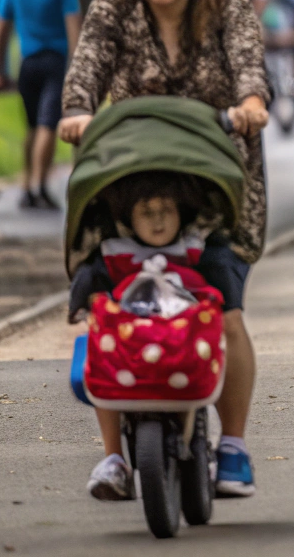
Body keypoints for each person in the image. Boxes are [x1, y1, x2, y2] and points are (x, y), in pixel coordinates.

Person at [58, 0, 270, 498]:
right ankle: (112, 459)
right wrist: (77, 110)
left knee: (224, 312)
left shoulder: (228, 4)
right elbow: (89, 64)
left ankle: (233, 447)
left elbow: (249, 65)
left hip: (212, 187)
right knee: (108, 309)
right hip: (128, 184)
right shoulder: (113, 4)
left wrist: (252, 105)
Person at [68, 171, 217, 500]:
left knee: (198, 357)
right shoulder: (111, 253)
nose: (159, 221)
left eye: (167, 210)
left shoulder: (194, 246)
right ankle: (113, 457)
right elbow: (92, 293)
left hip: (179, 340)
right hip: (129, 343)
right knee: (99, 360)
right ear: (128, 217)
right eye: (147, 213)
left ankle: (195, 447)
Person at [0, 0, 81, 209]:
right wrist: (79, 70)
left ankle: (27, 183)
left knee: (31, 125)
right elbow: (74, 29)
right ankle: (39, 186)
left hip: (26, 64)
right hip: (54, 63)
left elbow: (0, 31)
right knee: (47, 125)